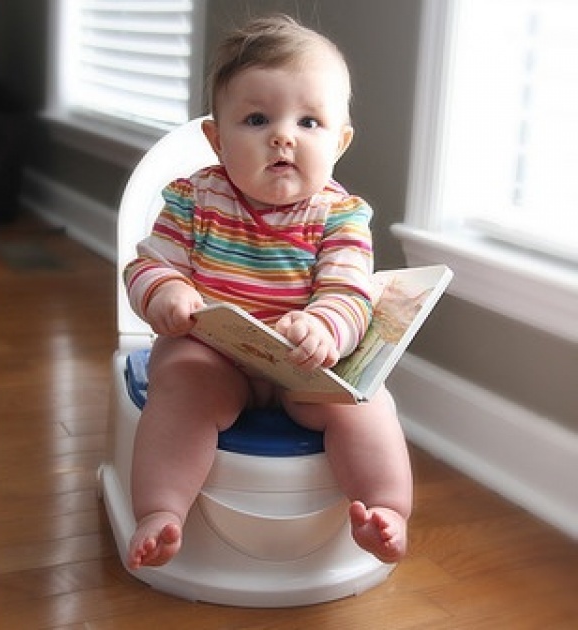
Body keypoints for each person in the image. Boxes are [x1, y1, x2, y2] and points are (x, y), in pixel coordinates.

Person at [123, 15, 411, 569]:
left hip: (305, 367)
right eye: (256, 118)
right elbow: (147, 265)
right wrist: (166, 293)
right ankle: (161, 512)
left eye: (309, 121)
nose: (283, 136)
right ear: (216, 138)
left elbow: (351, 292)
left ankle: (385, 510)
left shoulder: (341, 216)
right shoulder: (193, 199)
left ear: (339, 141)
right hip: (213, 353)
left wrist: (325, 325)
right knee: (180, 383)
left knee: (368, 405)